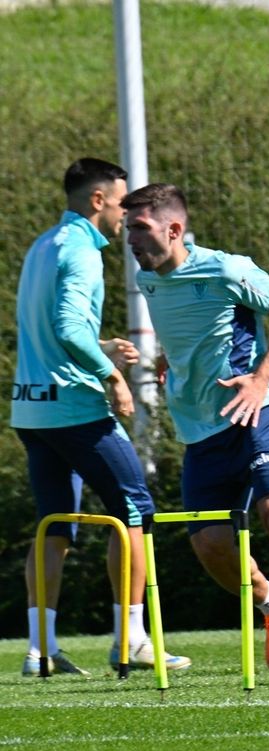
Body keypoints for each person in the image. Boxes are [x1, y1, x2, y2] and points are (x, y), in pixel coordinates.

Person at [120, 182, 269, 672]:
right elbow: (194, 329)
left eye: (141, 229)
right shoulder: (148, 279)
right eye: (128, 231)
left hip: (258, 411)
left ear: (174, 229)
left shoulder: (226, 268)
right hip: (200, 428)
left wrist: (260, 378)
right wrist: (173, 358)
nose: (131, 240)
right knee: (209, 545)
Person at [11, 157, 191, 676]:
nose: (125, 213)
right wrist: (111, 376)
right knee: (134, 510)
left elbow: (51, 330)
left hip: (32, 408)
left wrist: (103, 347)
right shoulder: (84, 251)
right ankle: (131, 640)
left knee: (55, 526)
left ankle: (40, 649)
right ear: (97, 200)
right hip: (73, 408)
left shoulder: (43, 245)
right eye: (120, 202)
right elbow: (68, 327)